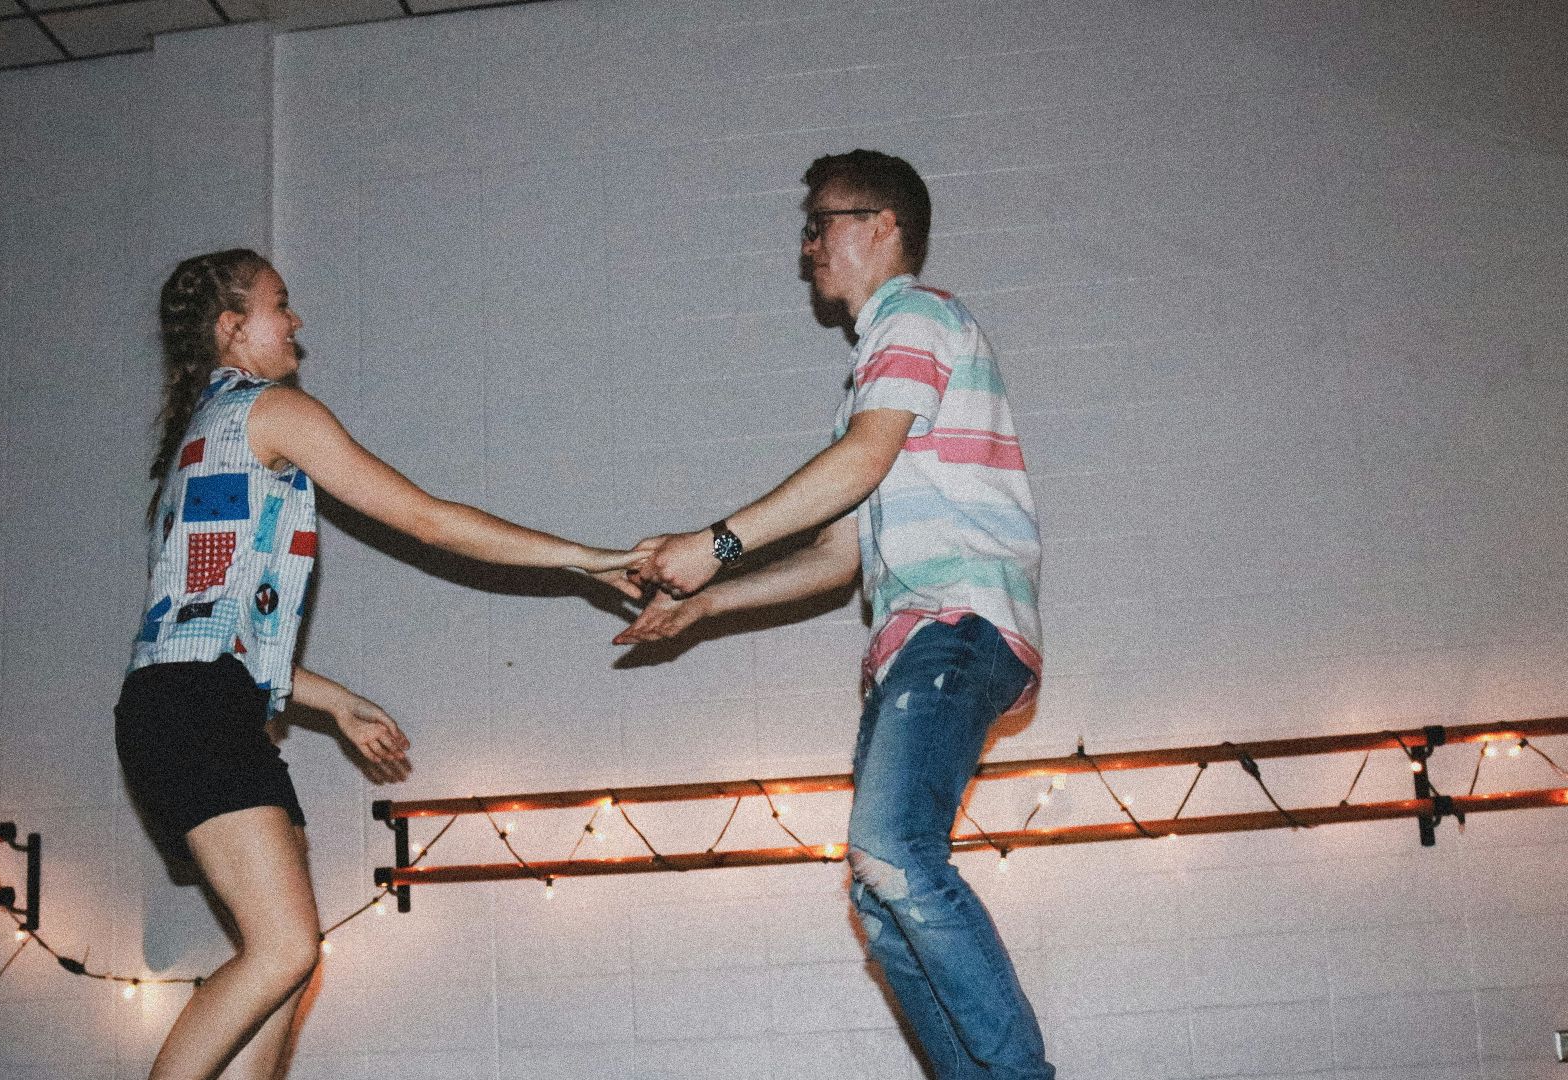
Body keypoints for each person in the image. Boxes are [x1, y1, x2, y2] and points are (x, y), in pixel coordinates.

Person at [116, 248, 641, 1080]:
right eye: (280, 304)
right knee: (284, 949)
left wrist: (331, 699)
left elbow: (207, 629)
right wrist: (583, 557)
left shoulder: (204, 434)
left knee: (290, 967)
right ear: (232, 328)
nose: (296, 322)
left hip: (200, 700)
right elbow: (426, 519)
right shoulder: (270, 411)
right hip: (193, 707)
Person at [617, 151, 1052, 1078]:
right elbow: (836, 556)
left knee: (894, 851)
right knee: (880, 894)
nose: (807, 246)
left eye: (822, 224)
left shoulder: (913, 315)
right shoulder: (871, 376)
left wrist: (714, 543)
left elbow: (858, 462)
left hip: (957, 626)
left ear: (883, 227)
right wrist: (708, 603)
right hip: (915, 645)